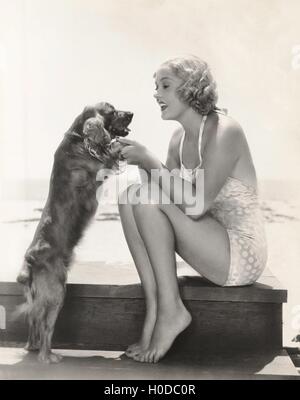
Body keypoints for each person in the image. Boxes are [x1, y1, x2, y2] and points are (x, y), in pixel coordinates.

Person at [116, 56, 268, 364]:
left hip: (239, 253)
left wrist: (149, 160)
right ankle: (156, 310)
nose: (156, 93)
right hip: (209, 243)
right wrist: (134, 160)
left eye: (165, 85)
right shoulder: (178, 139)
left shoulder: (227, 131)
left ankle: (172, 311)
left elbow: (196, 206)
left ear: (192, 89)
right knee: (130, 195)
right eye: (156, 86)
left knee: (144, 197)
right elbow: (161, 198)